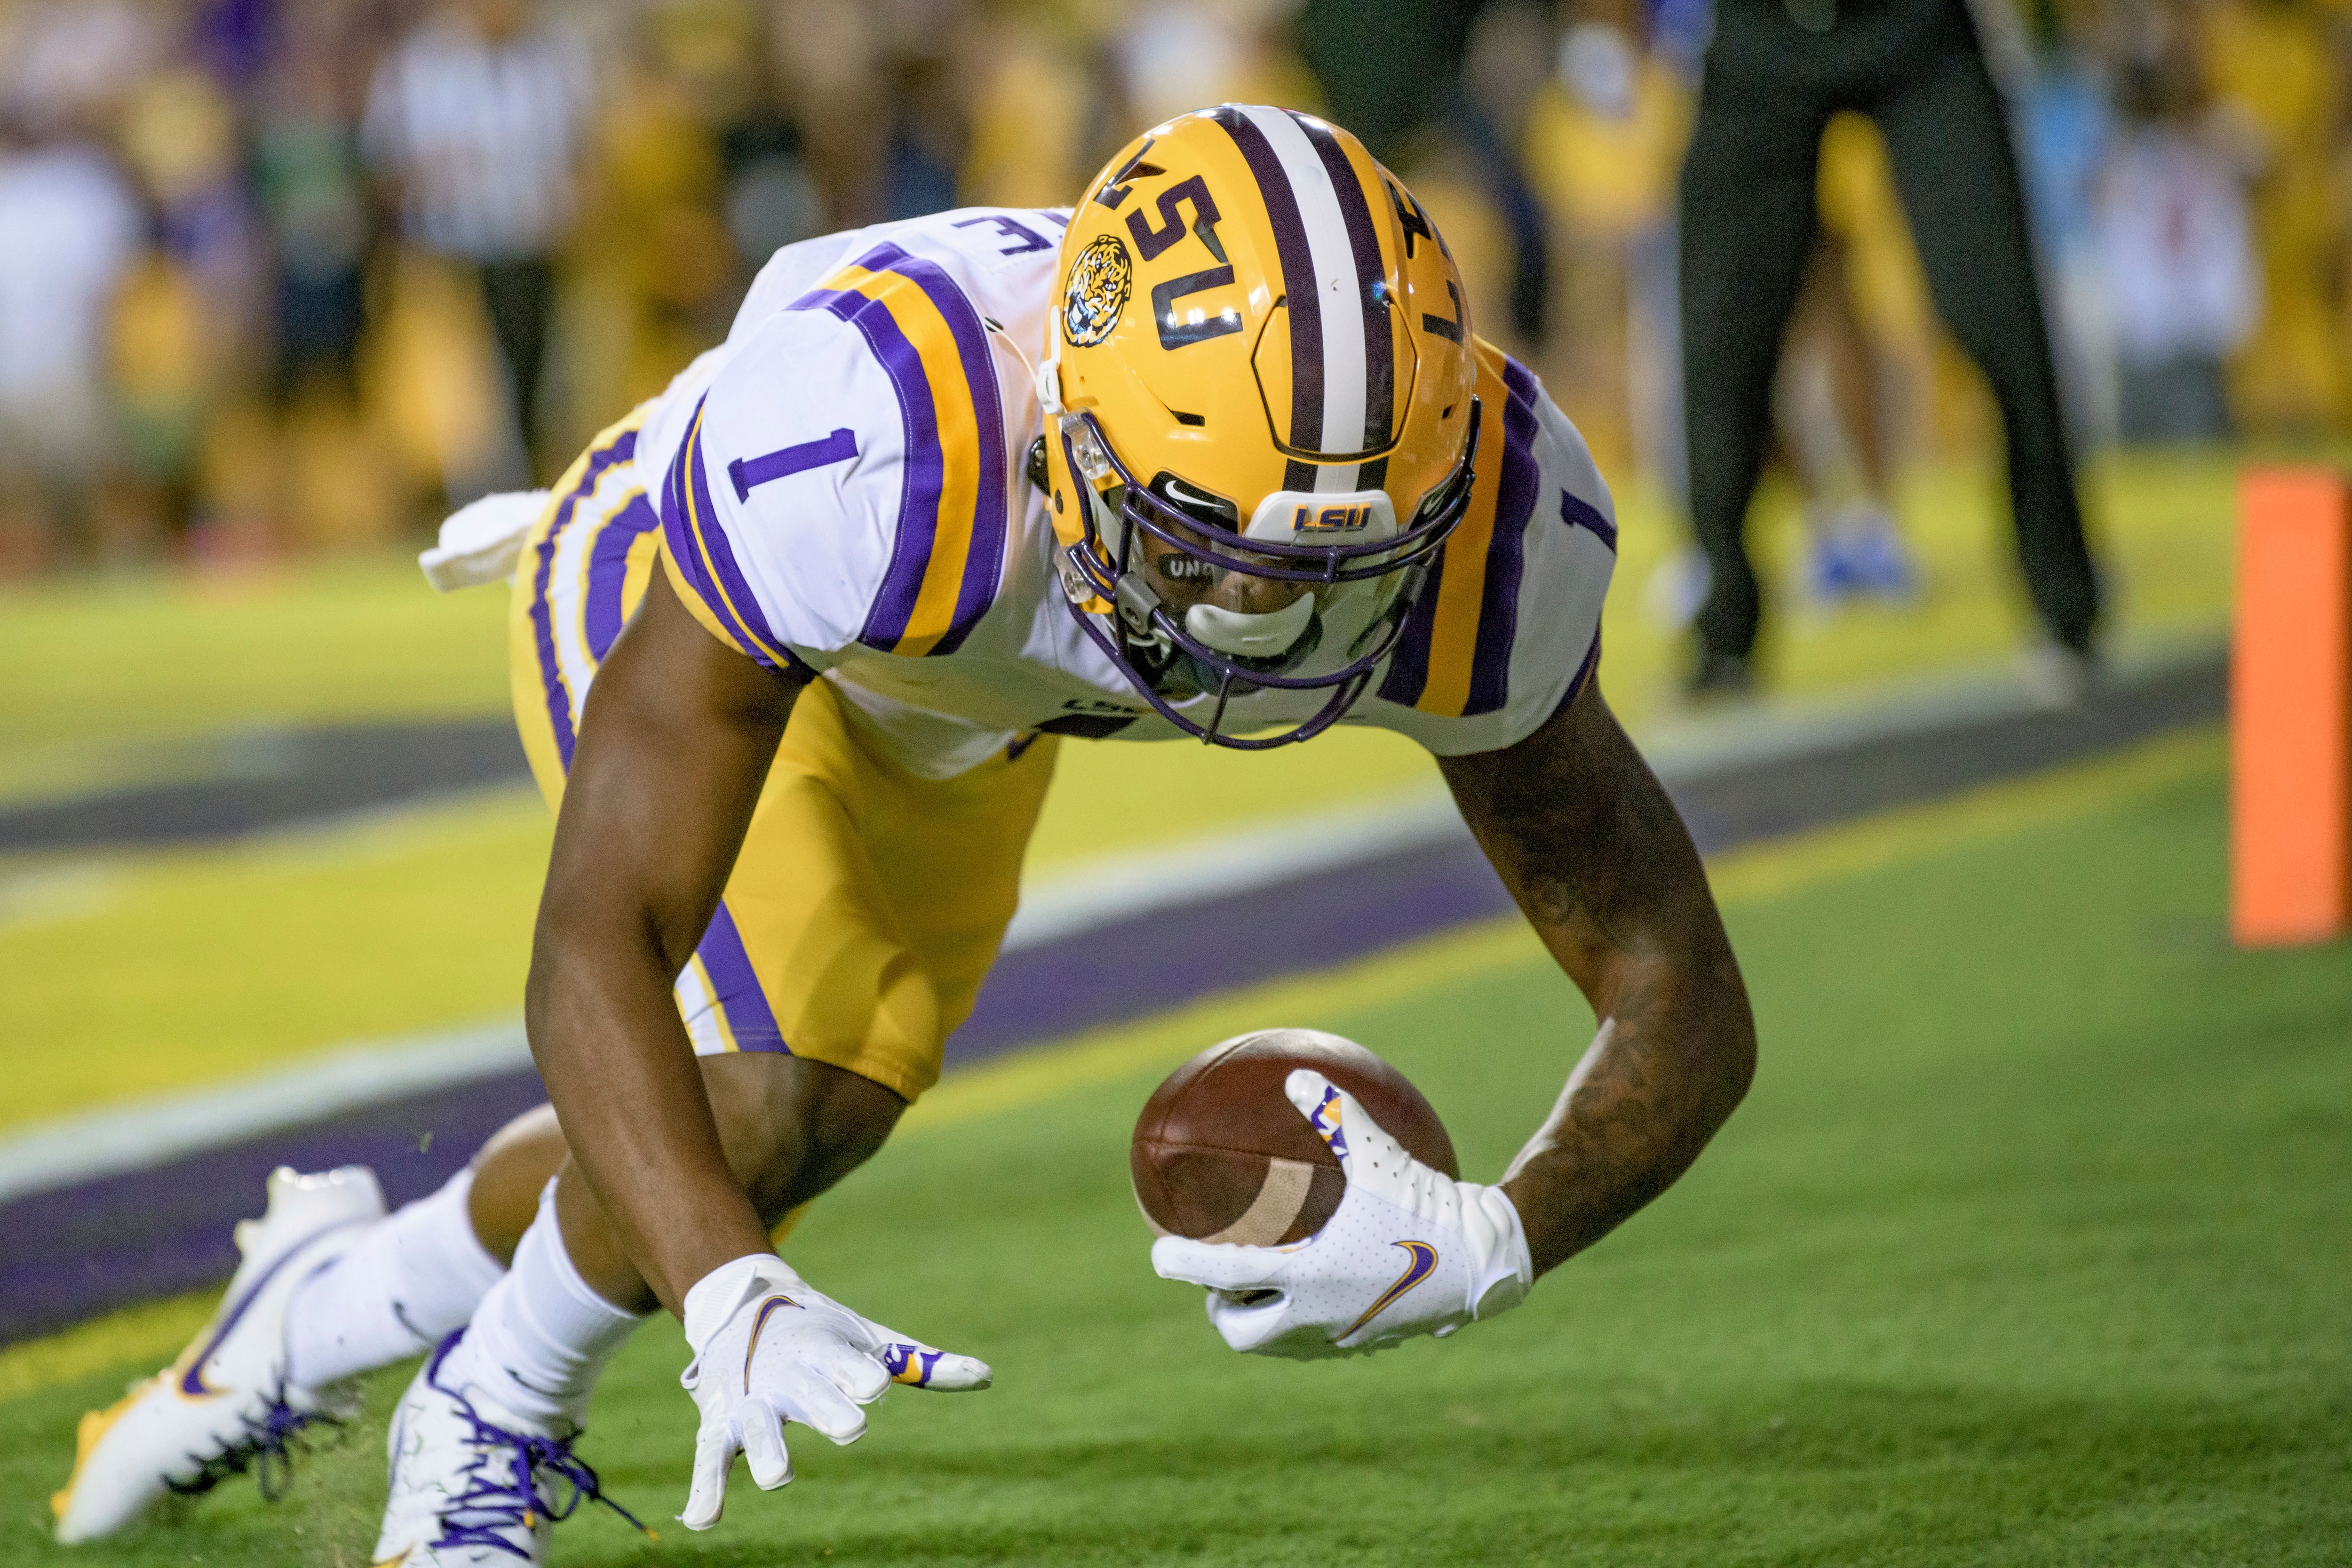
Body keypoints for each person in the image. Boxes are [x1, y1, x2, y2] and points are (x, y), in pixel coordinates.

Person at [52, 108, 1757, 1564]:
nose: (1265, 630)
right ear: (1068, 435)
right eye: (1207, 553)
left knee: (835, 1094)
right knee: (763, 1100)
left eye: (1335, 574)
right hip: (713, 593)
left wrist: (1500, 1238)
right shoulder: (873, 444)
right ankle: (489, 1412)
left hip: (974, 692)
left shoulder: (1497, 529)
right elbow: (595, 945)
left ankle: (323, 1305)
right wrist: (721, 1287)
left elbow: (1675, 983)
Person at [1677, 0, 2102, 700]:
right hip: (1765, 32)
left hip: (1912, 25)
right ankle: (1722, 625)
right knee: (1725, 337)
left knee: (1997, 310)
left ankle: (2066, 603)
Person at [363, 0, 592, 482]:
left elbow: (582, 159)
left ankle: (531, 482)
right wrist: (434, 182)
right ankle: (469, 490)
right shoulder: (418, 66)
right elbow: (383, 168)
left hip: (533, 253)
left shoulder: (551, 59)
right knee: (464, 399)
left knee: (535, 383)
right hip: (449, 259)